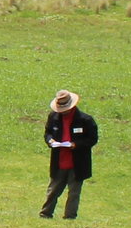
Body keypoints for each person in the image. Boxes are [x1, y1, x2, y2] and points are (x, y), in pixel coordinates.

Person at [41, 90, 97, 219]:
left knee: (74, 192)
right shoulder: (53, 117)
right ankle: (45, 213)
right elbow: (47, 133)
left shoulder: (85, 120)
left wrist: (75, 144)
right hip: (59, 161)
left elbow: (92, 139)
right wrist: (50, 141)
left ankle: (70, 216)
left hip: (77, 163)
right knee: (53, 190)